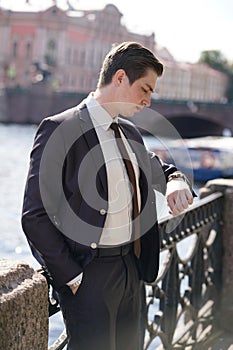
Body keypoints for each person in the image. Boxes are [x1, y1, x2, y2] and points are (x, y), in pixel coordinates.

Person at [21, 41, 194, 350]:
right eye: (145, 89)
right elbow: (35, 215)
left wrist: (177, 181)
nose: (148, 101)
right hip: (90, 274)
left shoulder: (129, 132)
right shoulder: (58, 128)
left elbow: (161, 170)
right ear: (119, 78)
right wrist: (71, 277)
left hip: (132, 269)